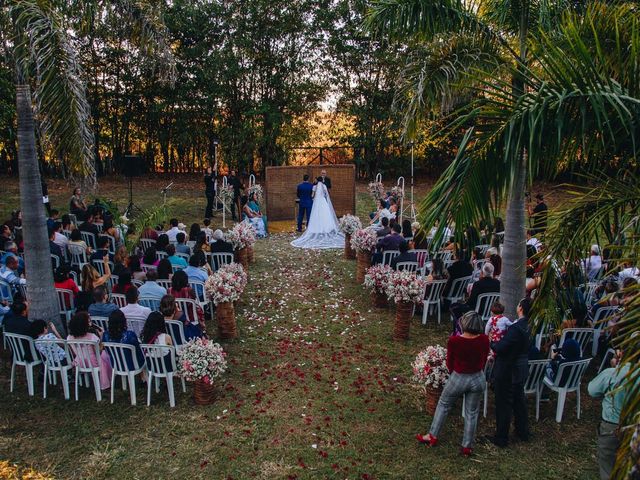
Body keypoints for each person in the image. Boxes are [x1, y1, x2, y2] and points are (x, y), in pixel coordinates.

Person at [416, 311, 489, 456]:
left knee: (443, 405)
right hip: (478, 378)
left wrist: (454, 373)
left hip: (460, 377)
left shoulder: (455, 341)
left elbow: (450, 362)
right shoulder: (484, 340)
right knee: (472, 413)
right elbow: (485, 358)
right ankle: (467, 446)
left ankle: (432, 435)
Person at [488, 297, 531, 448]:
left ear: (521, 309)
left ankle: (501, 437)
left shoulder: (516, 328)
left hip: (509, 369)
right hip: (521, 368)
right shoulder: (528, 326)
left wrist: (492, 342)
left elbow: (501, 348)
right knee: (519, 399)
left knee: (504, 402)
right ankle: (522, 430)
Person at [588, 348, 631, 480]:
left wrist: (615, 368)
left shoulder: (613, 373)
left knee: (607, 467)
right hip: (635, 425)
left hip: (611, 427)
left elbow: (592, 390)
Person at [291, 177, 344, 249]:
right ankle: (327, 227)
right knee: (325, 215)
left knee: (315, 214)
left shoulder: (314, 186)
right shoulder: (324, 186)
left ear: (317, 180)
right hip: (323, 202)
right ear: (322, 181)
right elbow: (326, 194)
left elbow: (312, 195)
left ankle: (314, 227)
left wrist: (314, 197)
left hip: (316, 202)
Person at [67, 312, 112, 390]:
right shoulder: (92, 337)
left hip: (80, 362)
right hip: (94, 363)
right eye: (88, 322)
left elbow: (74, 352)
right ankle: (108, 379)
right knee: (106, 355)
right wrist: (101, 338)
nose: (90, 323)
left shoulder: (69, 337)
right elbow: (98, 352)